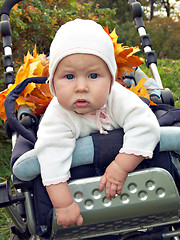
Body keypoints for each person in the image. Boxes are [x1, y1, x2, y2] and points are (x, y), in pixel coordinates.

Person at [31, 19, 161, 228]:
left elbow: (146, 126)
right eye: (69, 76)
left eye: (93, 75)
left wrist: (120, 166)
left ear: (110, 79)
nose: (81, 87)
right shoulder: (58, 115)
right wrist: (63, 205)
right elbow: (51, 154)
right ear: (53, 81)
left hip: (133, 180)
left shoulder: (118, 97)